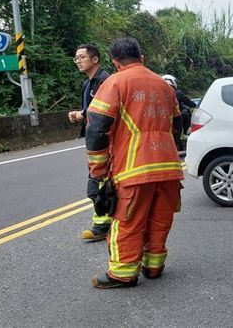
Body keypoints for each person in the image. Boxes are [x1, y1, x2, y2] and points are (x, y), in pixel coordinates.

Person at [85, 37, 184, 289]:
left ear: (115, 62)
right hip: (169, 167)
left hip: (134, 168)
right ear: (143, 58)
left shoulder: (114, 83)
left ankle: (123, 273)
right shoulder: (164, 86)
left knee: (127, 221)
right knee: (160, 218)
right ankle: (153, 266)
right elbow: (177, 125)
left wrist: (97, 174)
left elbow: (97, 130)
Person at [67, 44, 111, 241]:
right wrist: (81, 115)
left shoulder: (105, 81)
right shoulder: (88, 84)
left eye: (82, 57)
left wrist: (82, 114)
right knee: (100, 181)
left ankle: (104, 224)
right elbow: (92, 111)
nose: (78, 60)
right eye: (76, 57)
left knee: (98, 183)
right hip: (95, 140)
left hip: (106, 140)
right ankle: (105, 223)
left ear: (95, 59)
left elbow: (105, 110)